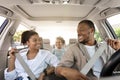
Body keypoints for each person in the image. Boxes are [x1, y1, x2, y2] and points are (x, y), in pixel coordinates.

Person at [55, 20, 120, 80]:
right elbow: (58, 69)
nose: (78, 33)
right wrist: (64, 71)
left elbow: (117, 67)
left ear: (91, 31)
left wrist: (118, 49)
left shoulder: (106, 47)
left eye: (82, 30)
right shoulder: (73, 49)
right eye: (77, 31)